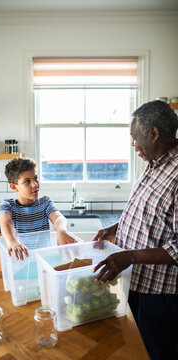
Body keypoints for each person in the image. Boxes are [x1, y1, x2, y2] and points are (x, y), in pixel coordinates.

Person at [93, 100, 178, 360]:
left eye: (134, 138)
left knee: (157, 353)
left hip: (160, 294)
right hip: (137, 283)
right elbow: (148, 212)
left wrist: (129, 256)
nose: (133, 145)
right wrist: (116, 227)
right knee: (135, 349)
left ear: (154, 134)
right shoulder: (154, 164)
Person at [0, 157, 77, 260]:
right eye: (27, 181)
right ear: (14, 187)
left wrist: (61, 230)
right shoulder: (8, 206)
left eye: (35, 178)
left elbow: (58, 218)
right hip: (22, 259)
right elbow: (6, 223)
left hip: (44, 259)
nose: (35, 184)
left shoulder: (44, 203)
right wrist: (12, 241)